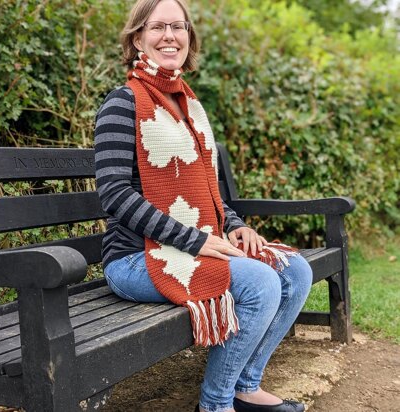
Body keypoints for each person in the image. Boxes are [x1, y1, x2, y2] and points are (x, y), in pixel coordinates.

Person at [94, 0, 313, 411]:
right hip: (136, 259)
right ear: (138, 37)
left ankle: (246, 387)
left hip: (188, 246)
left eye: (178, 26)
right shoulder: (123, 104)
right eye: (157, 26)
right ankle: (215, 404)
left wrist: (234, 224)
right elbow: (114, 193)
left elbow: (206, 188)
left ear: (188, 36)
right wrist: (192, 240)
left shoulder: (190, 106)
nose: (169, 36)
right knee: (259, 283)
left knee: (295, 271)